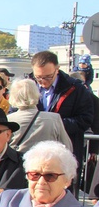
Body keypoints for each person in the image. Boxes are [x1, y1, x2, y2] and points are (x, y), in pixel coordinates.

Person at [30, 50, 94, 189]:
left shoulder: (75, 88)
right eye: (38, 77)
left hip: (63, 152)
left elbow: (86, 118)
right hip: (34, 153)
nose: (43, 82)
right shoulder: (28, 86)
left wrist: (56, 124)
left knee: (62, 197)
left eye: (48, 77)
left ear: (57, 69)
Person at [7, 78, 72, 154]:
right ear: (37, 93)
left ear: (13, 96)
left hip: (17, 163)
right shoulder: (54, 119)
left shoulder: (8, 120)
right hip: (46, 162)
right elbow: (67, 148)